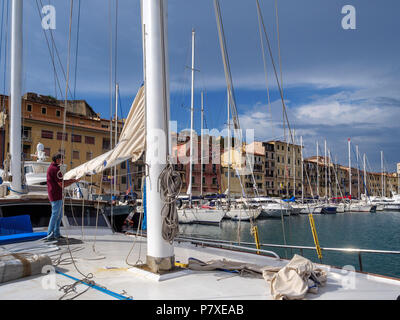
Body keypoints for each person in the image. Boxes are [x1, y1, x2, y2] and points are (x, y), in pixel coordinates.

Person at [46, 153, 78, 240]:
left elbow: (61, 181)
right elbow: (61, 184)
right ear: (57, 160)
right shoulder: (55, 169)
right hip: (56, 195)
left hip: (56, 194)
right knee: (55, 214)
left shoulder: (52, 168)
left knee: (59, 215)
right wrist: (74, 180)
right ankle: (50, 234)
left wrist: (71, 180)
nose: (63, 161)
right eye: (62, 159)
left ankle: (56, 234)